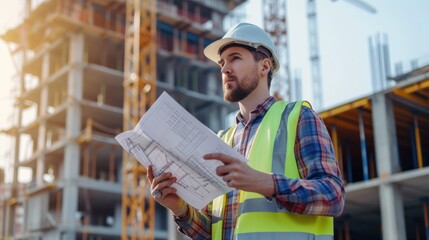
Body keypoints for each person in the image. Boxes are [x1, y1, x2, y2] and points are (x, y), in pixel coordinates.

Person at [147, 22, 345, 239]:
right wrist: (180, 209)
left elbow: (333, 196)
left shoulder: (298, 118)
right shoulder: (222, 140)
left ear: (264, 66)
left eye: (235, 58)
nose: (224, 69)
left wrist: (266, 183)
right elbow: (214, 232)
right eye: (222, 62)